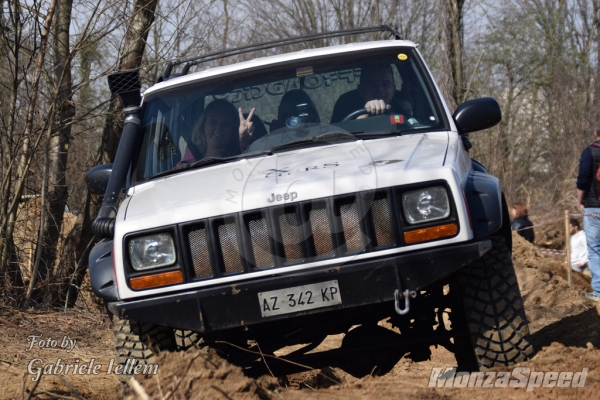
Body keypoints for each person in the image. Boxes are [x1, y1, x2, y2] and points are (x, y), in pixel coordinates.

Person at [179, 99, 256, 164]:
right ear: (203, 125)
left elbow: (253, 166)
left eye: (225, 123)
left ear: (232, 130)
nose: (219, 128)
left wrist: (245, 142)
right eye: (213, 121)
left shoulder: (242, 157)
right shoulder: (189, 160)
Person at [330, 64, 412, 123]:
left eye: (386, 84)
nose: (380, 89)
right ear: (361, 90)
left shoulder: (402, 108)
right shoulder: (344, 109)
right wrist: (359, 121)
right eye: (373, 85)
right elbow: (334, 138)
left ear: (394, 89)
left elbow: (415, 127)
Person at [576, 123, 600, 302]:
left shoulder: (589, 152)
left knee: (595, 249)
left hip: (594, 206)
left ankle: (599, 291)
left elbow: (583, 177)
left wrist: (580, 200)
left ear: (595, 133)